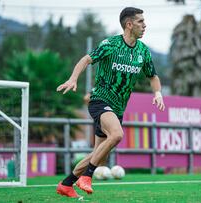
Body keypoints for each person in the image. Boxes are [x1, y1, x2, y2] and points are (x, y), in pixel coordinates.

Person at [56, 7, 165, 198]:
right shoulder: (110, 44)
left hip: (118, 108)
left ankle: (66, 184)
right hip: (100, 100)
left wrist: (158, 93)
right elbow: (86, 60)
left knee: (99, 153)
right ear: (129, 25)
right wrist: (73, 79)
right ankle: (87, 176)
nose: (144, 25)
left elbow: (153, 76)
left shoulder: (143, 51)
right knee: (117, 134)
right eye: (140, 21)